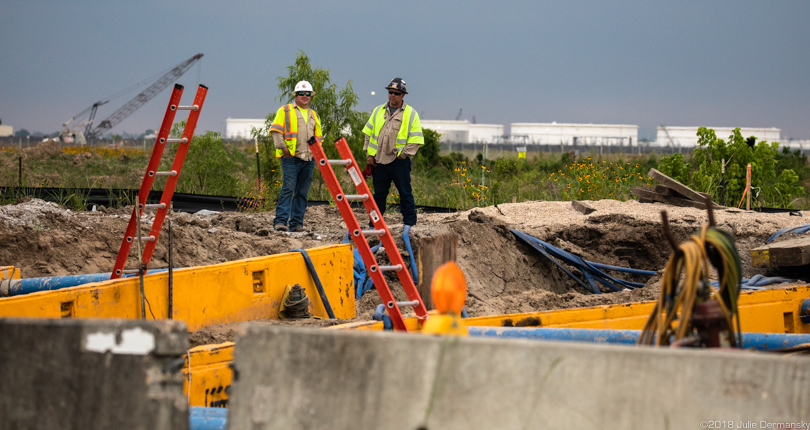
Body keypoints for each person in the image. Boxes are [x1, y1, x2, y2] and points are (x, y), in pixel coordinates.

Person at [362, 77, 424, 226]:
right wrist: (369, 154)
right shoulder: (378, 111)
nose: (392, 95)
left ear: (403, 95)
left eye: (396, 93)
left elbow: (416, 139)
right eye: (390, 92)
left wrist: (403, 155)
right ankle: (374, 225)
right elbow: (368, 134)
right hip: (379, 161)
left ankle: (410, 224)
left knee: (405, 193)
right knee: (379, 196)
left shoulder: (410, 114)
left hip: (399, 162)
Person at [270, 80, 323, 232]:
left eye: (308, 94)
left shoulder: (314, 114)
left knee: (302, 192)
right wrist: (284, 149)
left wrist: (317, 155)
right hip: (291, 158)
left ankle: (296, 224)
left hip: (309, 158)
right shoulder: (285, 110)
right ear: (296, 95)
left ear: (311, 96)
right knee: (288, 189)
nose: (305, 96)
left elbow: (318, 137)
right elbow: (276, 130)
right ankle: (280, 222)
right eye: (301, 94)